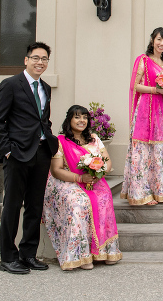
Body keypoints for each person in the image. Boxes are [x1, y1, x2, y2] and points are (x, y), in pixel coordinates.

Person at [0, 42, 59, 274]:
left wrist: (49, 140)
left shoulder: (46, 88)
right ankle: (8, 257)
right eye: (36, 58)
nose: (40, 62)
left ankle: (28, 254)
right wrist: (6, 150)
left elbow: (44, 120)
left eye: (44, 59)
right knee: (12, 205)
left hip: (41, 152)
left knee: (34, 205)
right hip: (17, 154)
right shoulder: (10, 85)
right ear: (26, 60)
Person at [43, 105, 121, 270]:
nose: (82, 121)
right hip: (69, 181)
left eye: (85, 117)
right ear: (69, 120)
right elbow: (56, 170)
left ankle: (104, 252)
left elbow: (107, 161)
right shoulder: (61, 141)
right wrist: (79, 177)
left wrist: (99, 173)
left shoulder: (94, 138)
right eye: (77, 117)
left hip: (93, 180)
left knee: (104, 196)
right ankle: (81, 256)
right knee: (80, 202)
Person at [121, 27, 163, 205]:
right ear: (152, 40)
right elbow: (134, 86)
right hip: (146, 110)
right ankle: (141, 194)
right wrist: (156, 90)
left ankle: (160, 191)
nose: (162, 43)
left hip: (162, 111)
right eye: (159, 39)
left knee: (160, 150)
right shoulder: (143, 60)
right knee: (143, 151)